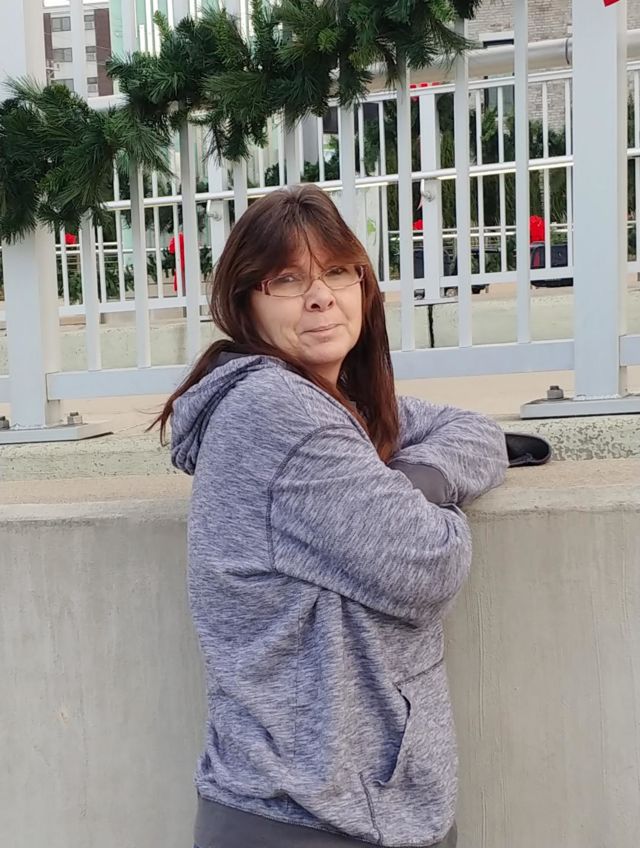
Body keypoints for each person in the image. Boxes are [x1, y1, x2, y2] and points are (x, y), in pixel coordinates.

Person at [158, 185, 508, 848]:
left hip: (342, 803)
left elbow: (476, 433)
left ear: (363, 286)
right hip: (310, 816)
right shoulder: (276, 414)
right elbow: (428, 564)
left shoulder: (334, 402)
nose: (320, 297)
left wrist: (408, 479)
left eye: (338, 272)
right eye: (287, 279)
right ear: (245, 302)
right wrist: (415, 500)